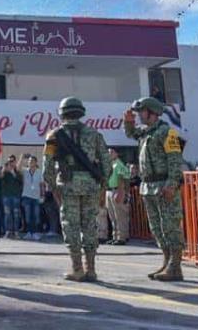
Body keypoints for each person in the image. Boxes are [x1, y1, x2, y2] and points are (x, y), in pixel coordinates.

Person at [43, 97, 111, 282]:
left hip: (68, 185)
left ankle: (77, 269)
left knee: (71, 225)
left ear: (62, 113)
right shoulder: (94, 134)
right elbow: (106, 162)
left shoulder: (53, 136)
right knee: (89, 224)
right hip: (90, 185)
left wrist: (53, 187)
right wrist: (102, 184)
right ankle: (91, 269)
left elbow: (47, 166)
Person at [125, 97, 185, 282]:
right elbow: (132, 134)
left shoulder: (167, 132)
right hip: (148, 187)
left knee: (170, 226)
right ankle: (167, 262)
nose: (139, 115)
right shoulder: (146, 132)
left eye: (140, 112)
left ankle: (175, 266)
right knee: (157, 228)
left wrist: (172, 184)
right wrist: (128, 123)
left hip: (163, 185)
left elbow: (175, 160)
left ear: (151, 112)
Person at [105, 147, 131, 245]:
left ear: (117, 153)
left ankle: (122, 237)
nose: (109, 154)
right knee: (113, 216)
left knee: (120, 215)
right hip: (110, 190)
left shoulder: (119, 164)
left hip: (117, 190)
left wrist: (121, 192)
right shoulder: (111, 164)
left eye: (111, 152)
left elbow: (122, 179)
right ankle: (115, 236)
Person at [21, 156, 45, 240]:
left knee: (36, 216)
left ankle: (35, 233)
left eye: (32, 161)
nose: (30, 162)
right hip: (26, 195)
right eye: (29, 161)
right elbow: (17, 168)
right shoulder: (24, 171)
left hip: (36, 196)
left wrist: (42, 196)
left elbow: (42, 184)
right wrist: (22, 157)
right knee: (27, 216)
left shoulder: (39, 172)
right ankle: (28, 232)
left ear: (36, 162)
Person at [0, 155, 23, 239]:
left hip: (16, 196)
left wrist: (13, 172)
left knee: (16, 214)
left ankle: (16, 232)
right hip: (6, 196)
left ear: (15, 162)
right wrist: (4, 169)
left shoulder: (17, 172)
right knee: (7, 214)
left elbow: (20, 181)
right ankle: (7, 232)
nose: (10, 163)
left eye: (12, 161)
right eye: (9, 161)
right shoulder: (5, 172)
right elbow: (0, 177)